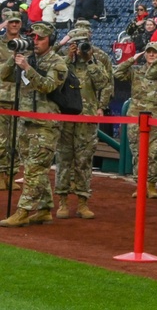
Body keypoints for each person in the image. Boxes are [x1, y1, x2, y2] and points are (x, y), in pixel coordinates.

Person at [0, 23, 69, 227]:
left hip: (45, 124)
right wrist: (14, 59)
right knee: (34, 167)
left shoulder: (57, 63)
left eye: (40, 38)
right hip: (26, 122)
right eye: (34, 37)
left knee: (34, 169)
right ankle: (45, 208)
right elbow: (3, 75)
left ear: (51, 40)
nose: (35, 41)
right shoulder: (27, 58)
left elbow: (48, 86)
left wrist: (27, 68)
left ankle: (23, 211)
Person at [54, 29, 110, 220]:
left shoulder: (95, 62)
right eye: (77, 44)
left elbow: (103, 83)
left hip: (86, 120)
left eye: (83, 43)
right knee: (64, 159)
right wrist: (68, 59)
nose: (81, 48)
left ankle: (82, 202)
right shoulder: (62, 62)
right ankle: (62, 202)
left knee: (84, 161)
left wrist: (89, 60)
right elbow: (55, 83)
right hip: (66, 119)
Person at [113, 42, 157, 201]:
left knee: (154, 155)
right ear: (144, 54)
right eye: (148, 52)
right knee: (138, 155)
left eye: (155, 52)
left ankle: (151, 185)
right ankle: (140, 185)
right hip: (136, 118)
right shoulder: (136, 72)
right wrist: (132, 58)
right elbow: (118, 73)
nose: (151, 55)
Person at [0, 10, 24, 191]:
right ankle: (1, 174)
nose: (14, 25)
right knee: (1, 139)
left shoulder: (26, 45)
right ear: (6, 23)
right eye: (11, 22)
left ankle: (11, 174)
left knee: (17, 140)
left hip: (20, 97)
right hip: (2, 97)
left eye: (17, 22)